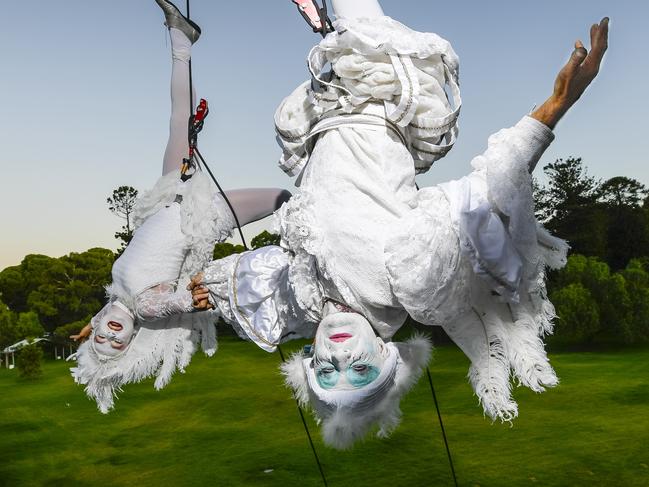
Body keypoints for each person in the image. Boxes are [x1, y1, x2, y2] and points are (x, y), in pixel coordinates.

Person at [192, 0, 608, 448]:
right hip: (385, 93)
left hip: (322, 109)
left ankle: (329, 30)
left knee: (341, 39)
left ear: (310, 359)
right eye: (361, 368)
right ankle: (336, 28)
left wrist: (190, 292)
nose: (342, 354)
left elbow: (249, 283)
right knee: (360, 19)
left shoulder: (303, 301)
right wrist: (561, 101)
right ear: (386, 354)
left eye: (328, 369)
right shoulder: (409, 280)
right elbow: (486, 188)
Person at [70, 0, 292, 413]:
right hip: (200, 215)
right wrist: (196, 301)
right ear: (132, 341)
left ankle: (181, 38)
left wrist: (91, 328)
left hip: (169, 192)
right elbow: (184, 303)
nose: (111, 337)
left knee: (178, 119)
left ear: (96, 325)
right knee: (283, 199)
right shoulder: (150, 311)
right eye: (116, 345)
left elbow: (111, 312)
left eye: (100, 337)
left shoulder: (116, 293)